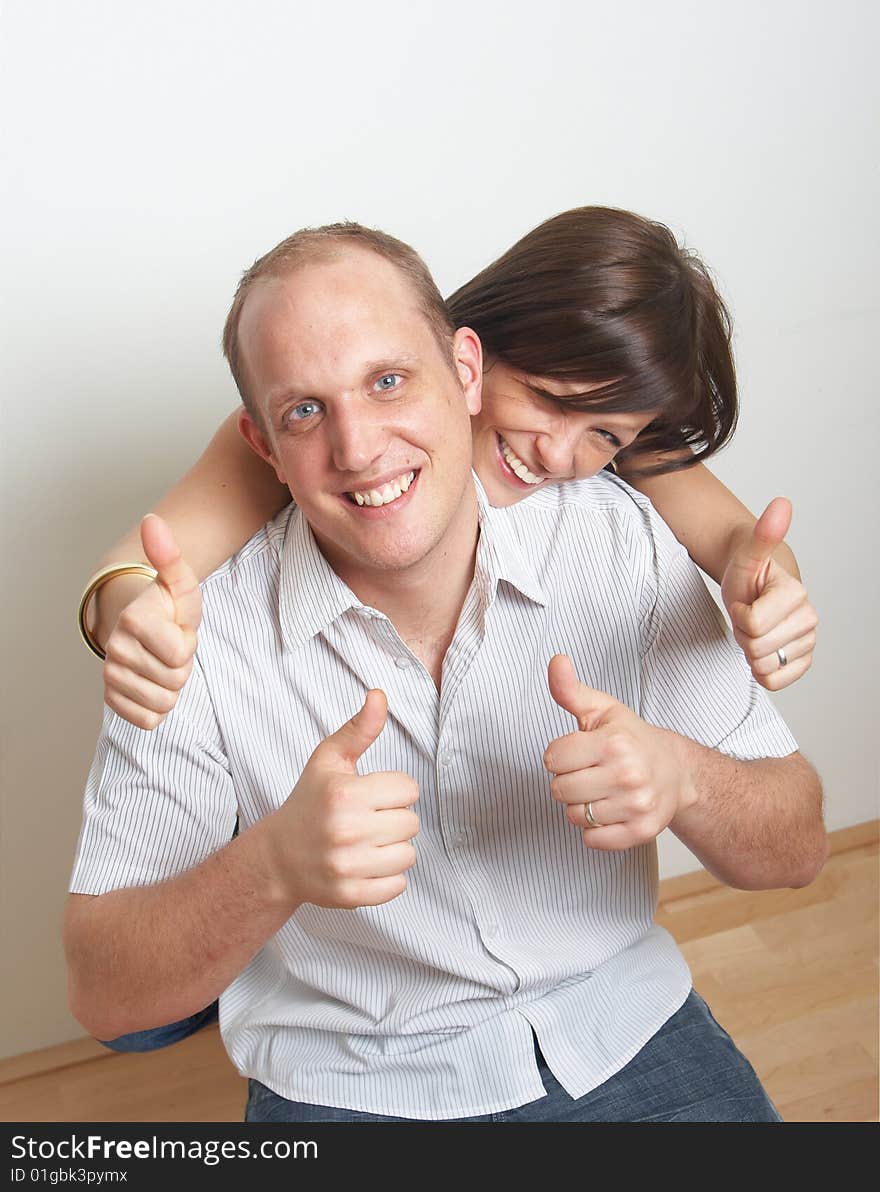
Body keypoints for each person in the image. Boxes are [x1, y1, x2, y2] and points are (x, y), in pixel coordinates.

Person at [65, 222, 827, 1122]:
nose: (358, 446)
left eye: (390, 381)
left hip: (615, 1023)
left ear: (460, 368)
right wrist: (272, 864)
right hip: (358, 1075)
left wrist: (687, 770)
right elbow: (107, 997)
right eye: (306, 410)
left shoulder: (613, 529)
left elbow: (800, 845)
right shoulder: (201, 625)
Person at [83, 208, 817, 739]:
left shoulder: (600, 464)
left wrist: (771, 585)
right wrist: (131, 621)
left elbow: (737, 541)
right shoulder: (329, 434)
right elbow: (138, 570)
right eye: (547, 402)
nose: (559, 456)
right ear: (474, 353)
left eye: (604, 435)